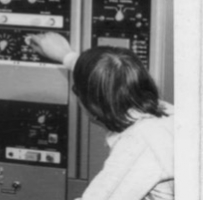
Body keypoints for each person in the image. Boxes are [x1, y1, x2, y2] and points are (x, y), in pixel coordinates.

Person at [28, 32, 174, 200]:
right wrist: (66, 55)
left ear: (91, 106)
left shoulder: (138, 144)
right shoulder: (164, 111)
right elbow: (111, 76)